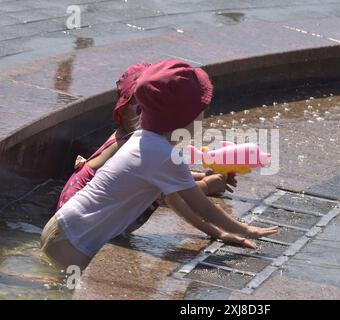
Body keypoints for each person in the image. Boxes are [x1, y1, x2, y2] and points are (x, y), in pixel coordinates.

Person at [41, 58, 278, 271]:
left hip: (62, 229)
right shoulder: (161, 154)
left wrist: (219, 233)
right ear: (183, 117)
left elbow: (177, 202)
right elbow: (203, 207)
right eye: (201, 111)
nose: (204, 117)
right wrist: (246, 230)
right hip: (72, 242)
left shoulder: (145, 140)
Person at [55, 62, 236, 236]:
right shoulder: (130, 143)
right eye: (142, 109)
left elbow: (164, 171)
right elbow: (169, 192)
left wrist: (203, 175)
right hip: (84, 222)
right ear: (123, 110)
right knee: (153, 189)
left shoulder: (133, 138)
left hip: (78, 213)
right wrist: (206, 186)